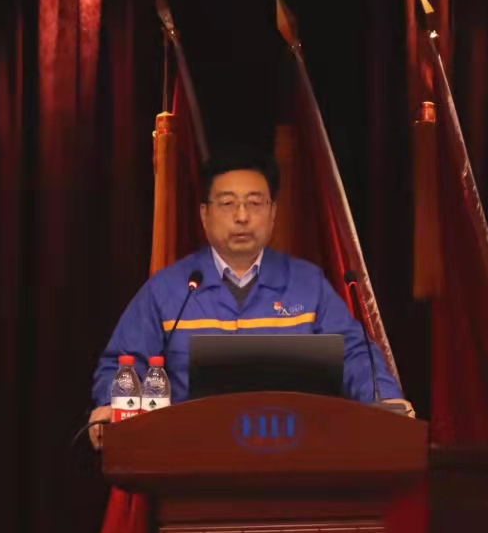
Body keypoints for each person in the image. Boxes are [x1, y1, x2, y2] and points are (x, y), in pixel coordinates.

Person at [88, 146, 408, 446]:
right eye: (228, 203)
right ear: (204, 214)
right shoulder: (169, 289)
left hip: (295, 452)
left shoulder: (308, 284)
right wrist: (110, 404)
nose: (242, 216)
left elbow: (355, 354)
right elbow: (124, 363)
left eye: (255, 203)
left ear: (273, 213)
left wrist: (384, 398)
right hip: (192, 453)